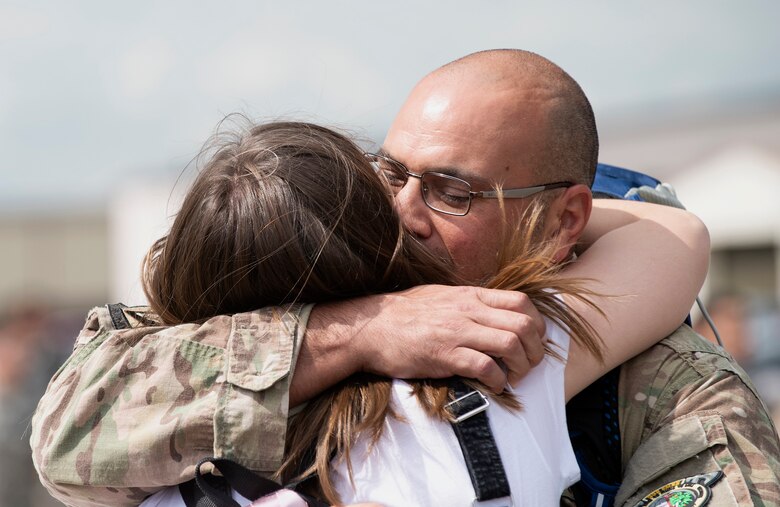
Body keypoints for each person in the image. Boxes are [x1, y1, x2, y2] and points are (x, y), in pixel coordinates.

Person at [30, 49, 779, 506]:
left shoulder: (657, 376)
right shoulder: (275, 295)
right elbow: (70, 439)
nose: (402, 211)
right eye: (389, 173)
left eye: (452, 191)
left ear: (564, 220)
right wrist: (359, 333)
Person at [131, 119, 703, 507]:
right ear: (378, 251)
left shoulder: (145, 451)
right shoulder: (489, 371)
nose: (407, 206)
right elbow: (675, 237)